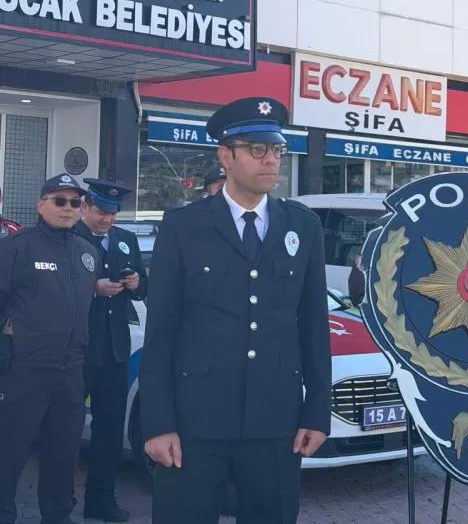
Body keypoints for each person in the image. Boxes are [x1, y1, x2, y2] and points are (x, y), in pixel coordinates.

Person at [140, 97, 332, 524]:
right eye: (256, 149)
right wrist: (158, 422)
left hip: (275, 419)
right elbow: (162, 331)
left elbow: (313, 326)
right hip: (195, 420)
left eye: (277, 150)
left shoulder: (302, 226)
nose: (271, 160)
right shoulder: (184, 226)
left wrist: (318, 411)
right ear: (225, 155)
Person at [0, 174, 98, 524]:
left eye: (75, 202)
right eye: (60, 200)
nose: (68, 208)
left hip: (69, 371)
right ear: (41, 204)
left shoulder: (88, 253)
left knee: (63, 453)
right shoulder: (17, 246)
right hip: (24, 370)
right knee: (9, 451)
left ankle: (57, 516)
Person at [73, 180, 148, 521]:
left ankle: (100, 499)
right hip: (77, 350)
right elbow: (52, 287)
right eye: (102, 211)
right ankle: (58, 503)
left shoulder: (125, 240)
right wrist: (92, 288)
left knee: (108, 434)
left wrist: (136, 284)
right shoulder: (69, 237)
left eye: (113, 213)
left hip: (116, 352)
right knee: (64, 430)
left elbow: (143, 286)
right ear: (86, 206)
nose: (108, 219)